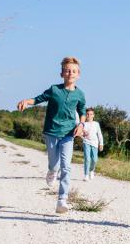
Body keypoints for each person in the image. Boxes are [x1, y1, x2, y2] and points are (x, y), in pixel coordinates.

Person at [17, 56, 86, 214]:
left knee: (66, 166)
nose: (70, 73)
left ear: (78, 74)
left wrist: (81, 125)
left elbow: (82, 111)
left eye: (73, 71)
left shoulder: (80, 94)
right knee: (54, 164)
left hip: (69, 133)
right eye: (67, 70)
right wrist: (26, 102)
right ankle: (51, 171)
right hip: (52, 131)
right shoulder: (54, 90)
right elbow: (39, 99)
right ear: (62, 73)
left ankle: (62, 200)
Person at [82, 107, 103, 181]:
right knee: (87, 159)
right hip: (86, 142)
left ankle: (91, 170)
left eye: (91, 114)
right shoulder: (83, 124)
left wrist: (101, 144)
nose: (89, 116)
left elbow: (99, 134)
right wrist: (83, 133)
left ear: (93, 115)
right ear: (86, 115)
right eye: (87, 114)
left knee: (94, 159)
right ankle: (86, 175)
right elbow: (80, 133)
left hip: (94, 143)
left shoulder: (96, 124)